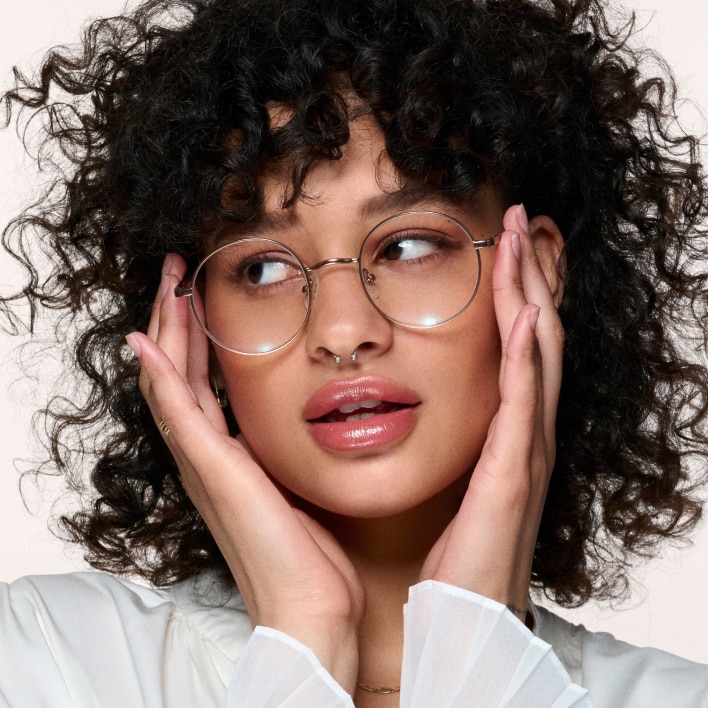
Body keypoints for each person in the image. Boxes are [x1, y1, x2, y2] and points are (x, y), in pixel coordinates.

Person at [1, 0, 707, 705]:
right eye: (263, 270)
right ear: (191, 325)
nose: (342, 332)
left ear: (537, 273)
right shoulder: (46, 656)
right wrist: (304, 633)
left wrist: (477, 637)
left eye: (408, 247)